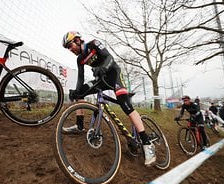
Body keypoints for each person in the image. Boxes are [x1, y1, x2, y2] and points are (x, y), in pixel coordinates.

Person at [61, 31, 156, 166]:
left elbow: (109, 58)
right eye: (68, 48)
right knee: (80, 92)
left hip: (113, 74)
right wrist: (76, 91)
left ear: (77, 40)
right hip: (101, 79)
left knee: (125, 106)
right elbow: (81, 78)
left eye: (70, 46)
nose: (70, 50)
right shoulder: (79, 59)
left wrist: (103, 68)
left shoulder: (94, 44)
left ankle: (147, 143)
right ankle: (80, 125)